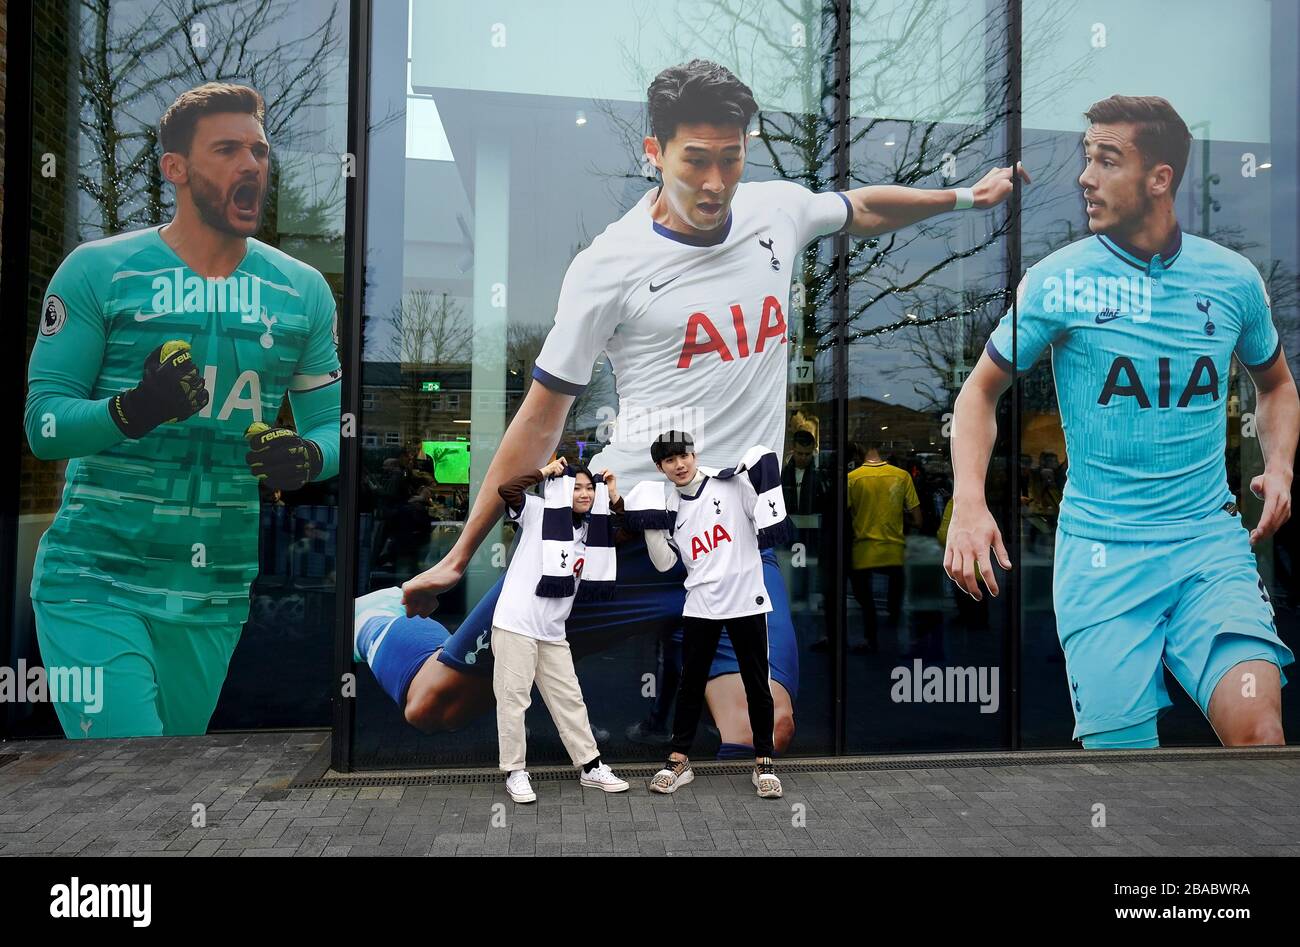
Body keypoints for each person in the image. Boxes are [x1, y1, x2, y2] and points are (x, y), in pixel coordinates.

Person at [356, 59, 1025, 758]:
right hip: (615, 541)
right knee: (436, 703)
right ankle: (376, 621)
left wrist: (965, 200)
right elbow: (540, 419)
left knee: (764, 725)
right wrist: (460, 555)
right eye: (695, 161)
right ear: (655, 153)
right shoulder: (608, 266)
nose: (714, 182)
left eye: (730, 160)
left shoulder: (775, 212)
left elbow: (861, 207)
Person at [946, 94, 1297, 749]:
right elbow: (977, 394)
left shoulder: (1233, 280)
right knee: (1124, 773)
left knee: (1261, 736)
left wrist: (1279, 464)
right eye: (1087, 159)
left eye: (1107, 160)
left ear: (1159, 178)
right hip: (1103, 560)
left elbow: (1275, 384)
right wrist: (969, 500)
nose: (1086, 176)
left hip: (1208, 549)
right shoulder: (1058, 282)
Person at [24, 82, 341, 738]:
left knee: (164, 781)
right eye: (227, 149)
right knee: (130, 769)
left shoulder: (301, 291)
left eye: (258, 150)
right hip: (95, 579)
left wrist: (305, 456)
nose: (251, 164)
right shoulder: (97, 272)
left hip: (213, 591)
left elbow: (327, 428)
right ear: (176, 168)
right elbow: (42, 424)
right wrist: (134, 409)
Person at [637, 432, 785, 798]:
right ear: (661, 468)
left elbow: (767, 520)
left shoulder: (732, 484)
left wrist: (762, 464)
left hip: (746, 601)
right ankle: (679, 760)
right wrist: (652, 524)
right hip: (701, 606)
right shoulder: (670, 506)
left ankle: (764, 761)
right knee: (690, 687)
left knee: (756, 684)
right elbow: (664, 564)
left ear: (694, 454)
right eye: (670, 461)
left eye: (683, 456)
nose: (680, 465)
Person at [490, 458, 629, 802]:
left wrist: (613, 496)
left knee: (569, 698)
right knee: (513, 701)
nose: (583, 493)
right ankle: (515, 771)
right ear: (564, 489)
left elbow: (627, 532)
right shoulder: (539, 511)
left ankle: (591, 766)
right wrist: (542, 473)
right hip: (516, 623)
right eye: (576, 486)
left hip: (552, 630)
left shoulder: (594, 528)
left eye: (589, 487)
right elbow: (506, 490)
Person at [843, 442, 922, 653]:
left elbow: (843, 516)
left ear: (861, 452)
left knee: (866, 601)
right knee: (896, 592)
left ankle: (871, 638)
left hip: (864, 550)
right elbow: (918, 519)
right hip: (893, 549)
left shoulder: (852, 479)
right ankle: (895, 633)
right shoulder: (902, 476)